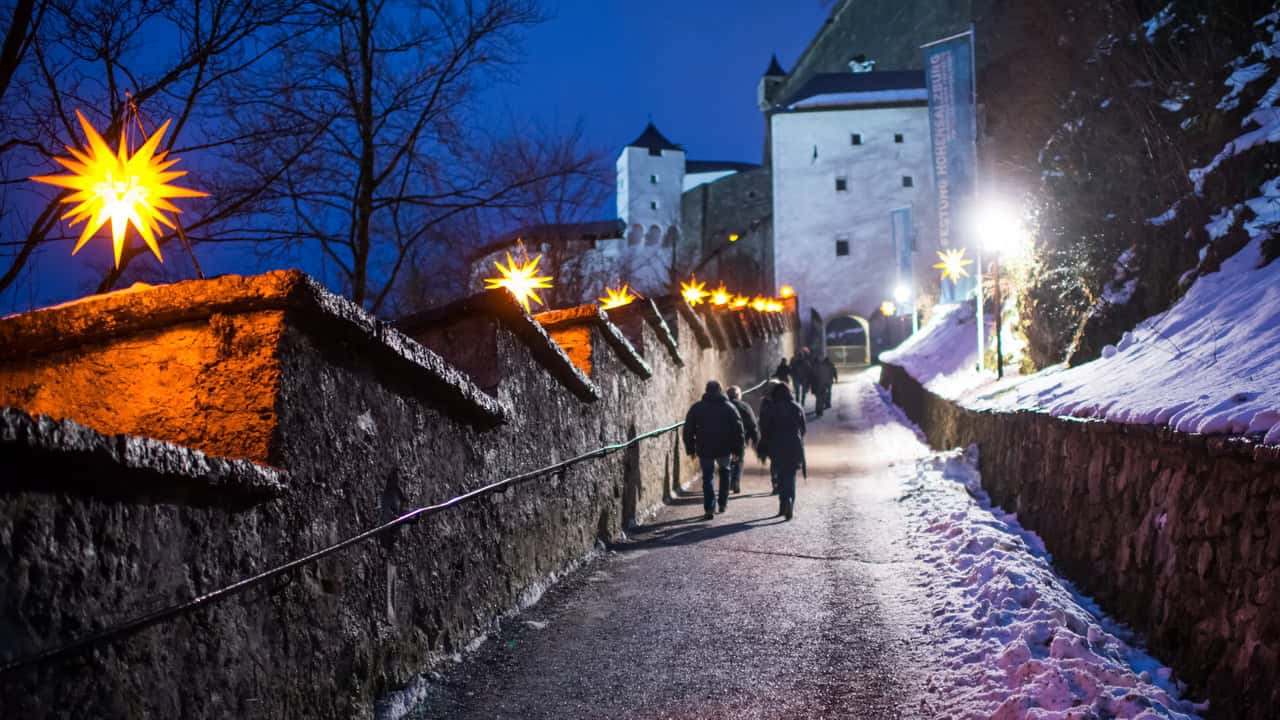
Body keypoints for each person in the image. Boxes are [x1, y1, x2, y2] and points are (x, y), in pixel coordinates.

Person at [682, 380, 746, 520]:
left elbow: (688, 430)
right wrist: (737, 450)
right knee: (725, 473)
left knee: (707, 477)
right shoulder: (729, 407)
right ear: (720, 390)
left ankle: (709, 507)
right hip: (724, 447)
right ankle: (722, 503)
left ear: (706, 390)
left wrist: (690, 449)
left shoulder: (697, 408)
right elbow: (738, 430)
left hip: (705, 447)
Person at [758, 382, 806, 519]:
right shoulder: (796, 406)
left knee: (780, 474)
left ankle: (783, 504)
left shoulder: (771, 408)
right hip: (793, 444)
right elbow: (803, 429)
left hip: (776, 445)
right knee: (791, 475)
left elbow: (765, 428)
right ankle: (790, 500)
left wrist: (764, 446)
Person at [725, 385, 759, 494]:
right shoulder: (745, 406)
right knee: (739, 460)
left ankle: (727, 482)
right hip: (741, 438)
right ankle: (735, 481)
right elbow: (752, 424)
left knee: (726, 460)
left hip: (724, 438)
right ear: (738, 395)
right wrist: (755, 439)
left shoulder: (723, 406)